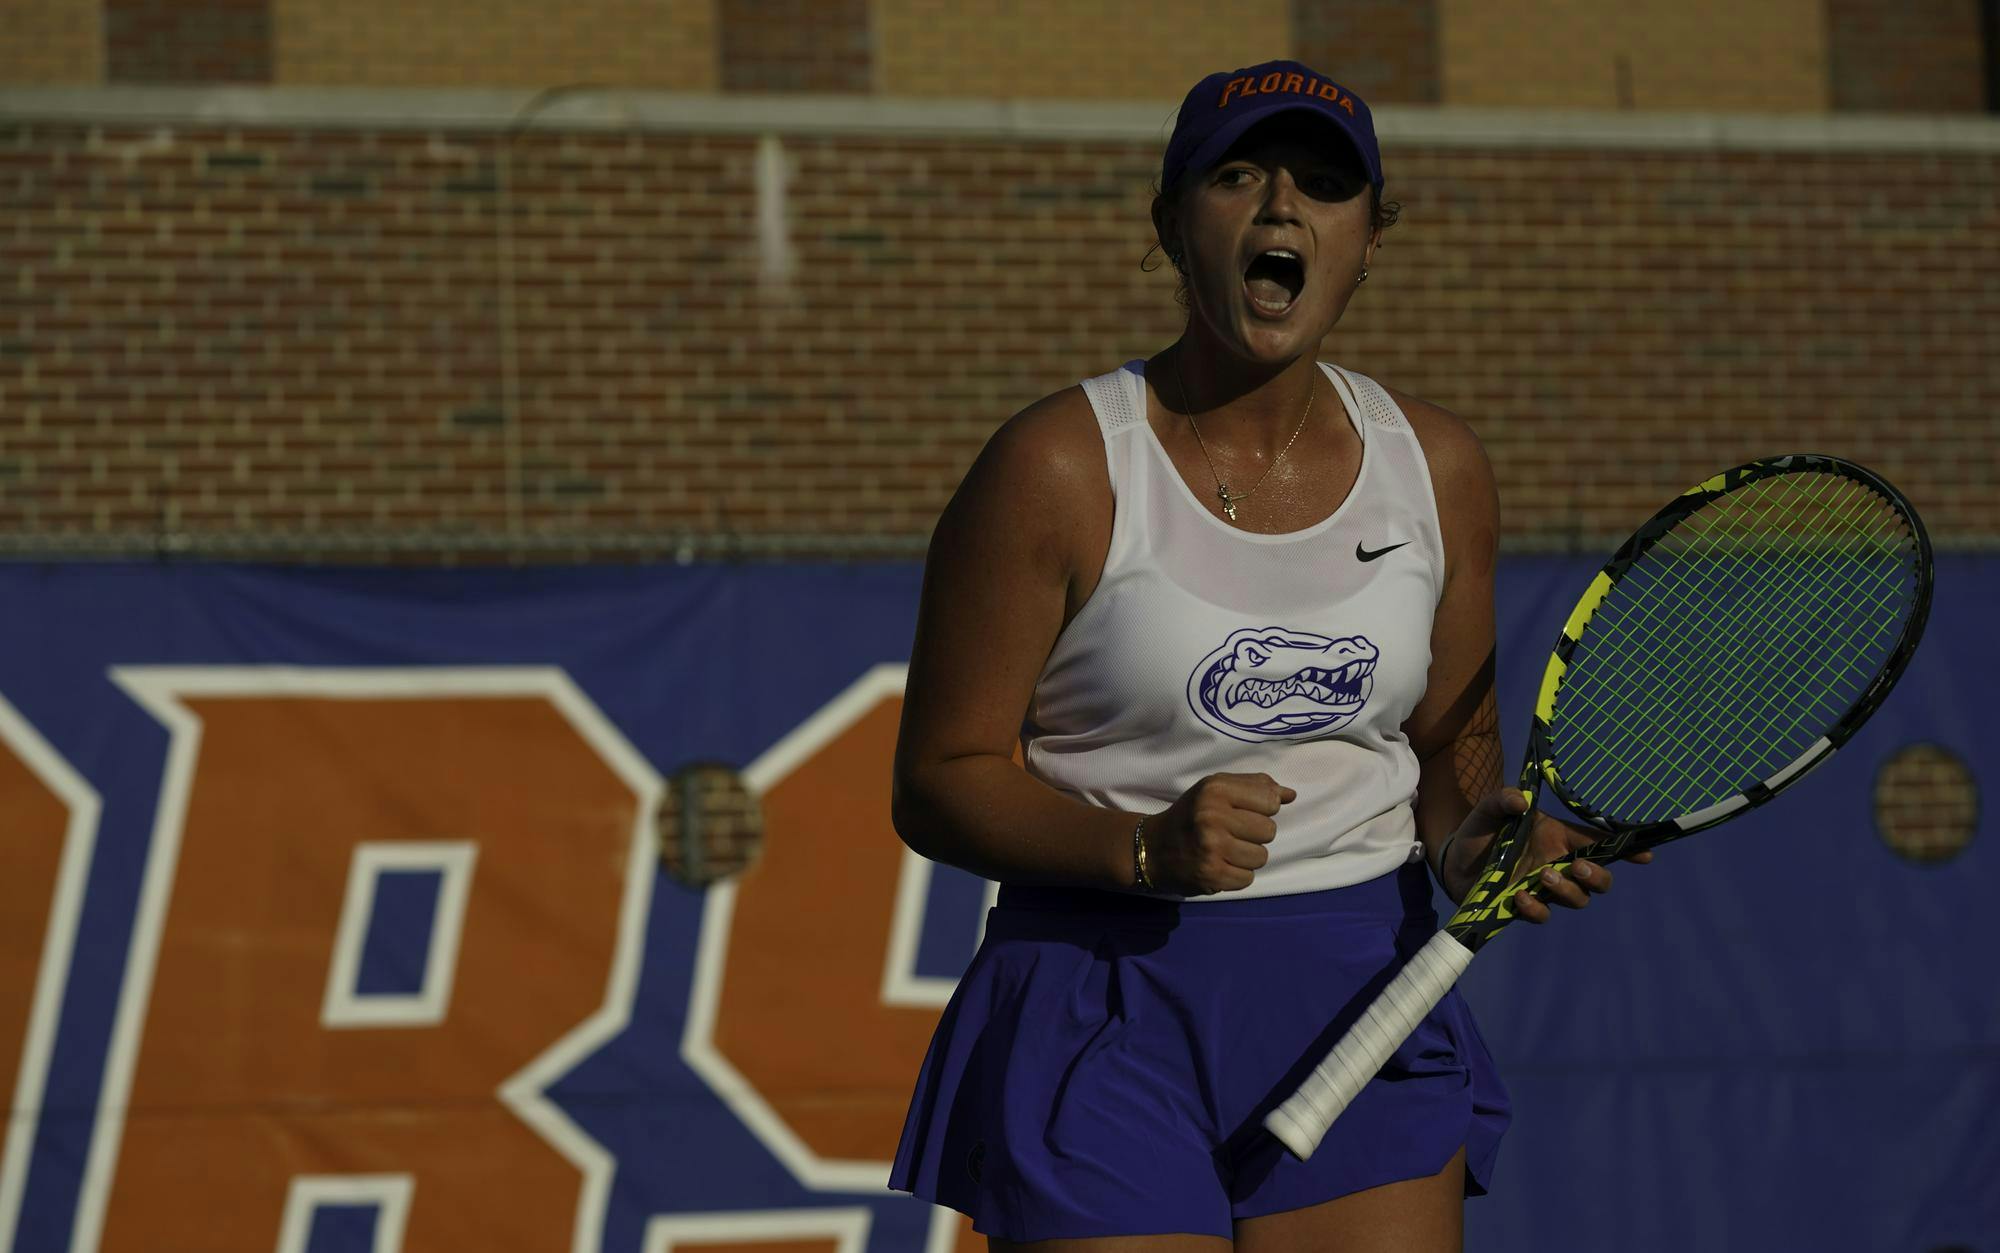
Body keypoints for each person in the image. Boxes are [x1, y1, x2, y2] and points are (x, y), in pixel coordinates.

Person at [887, 59, 1647, 1252]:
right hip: (1100, 989)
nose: (1282, 206)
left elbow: (1451, 760)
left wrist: (1483, 842)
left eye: (1326, 183)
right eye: (1238, 174)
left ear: (1369, 237)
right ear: (1169, 223)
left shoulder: (1436, 467)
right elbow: (939, 775)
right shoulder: (1057, 465)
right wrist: (1138, 846)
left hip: (1365, 984)